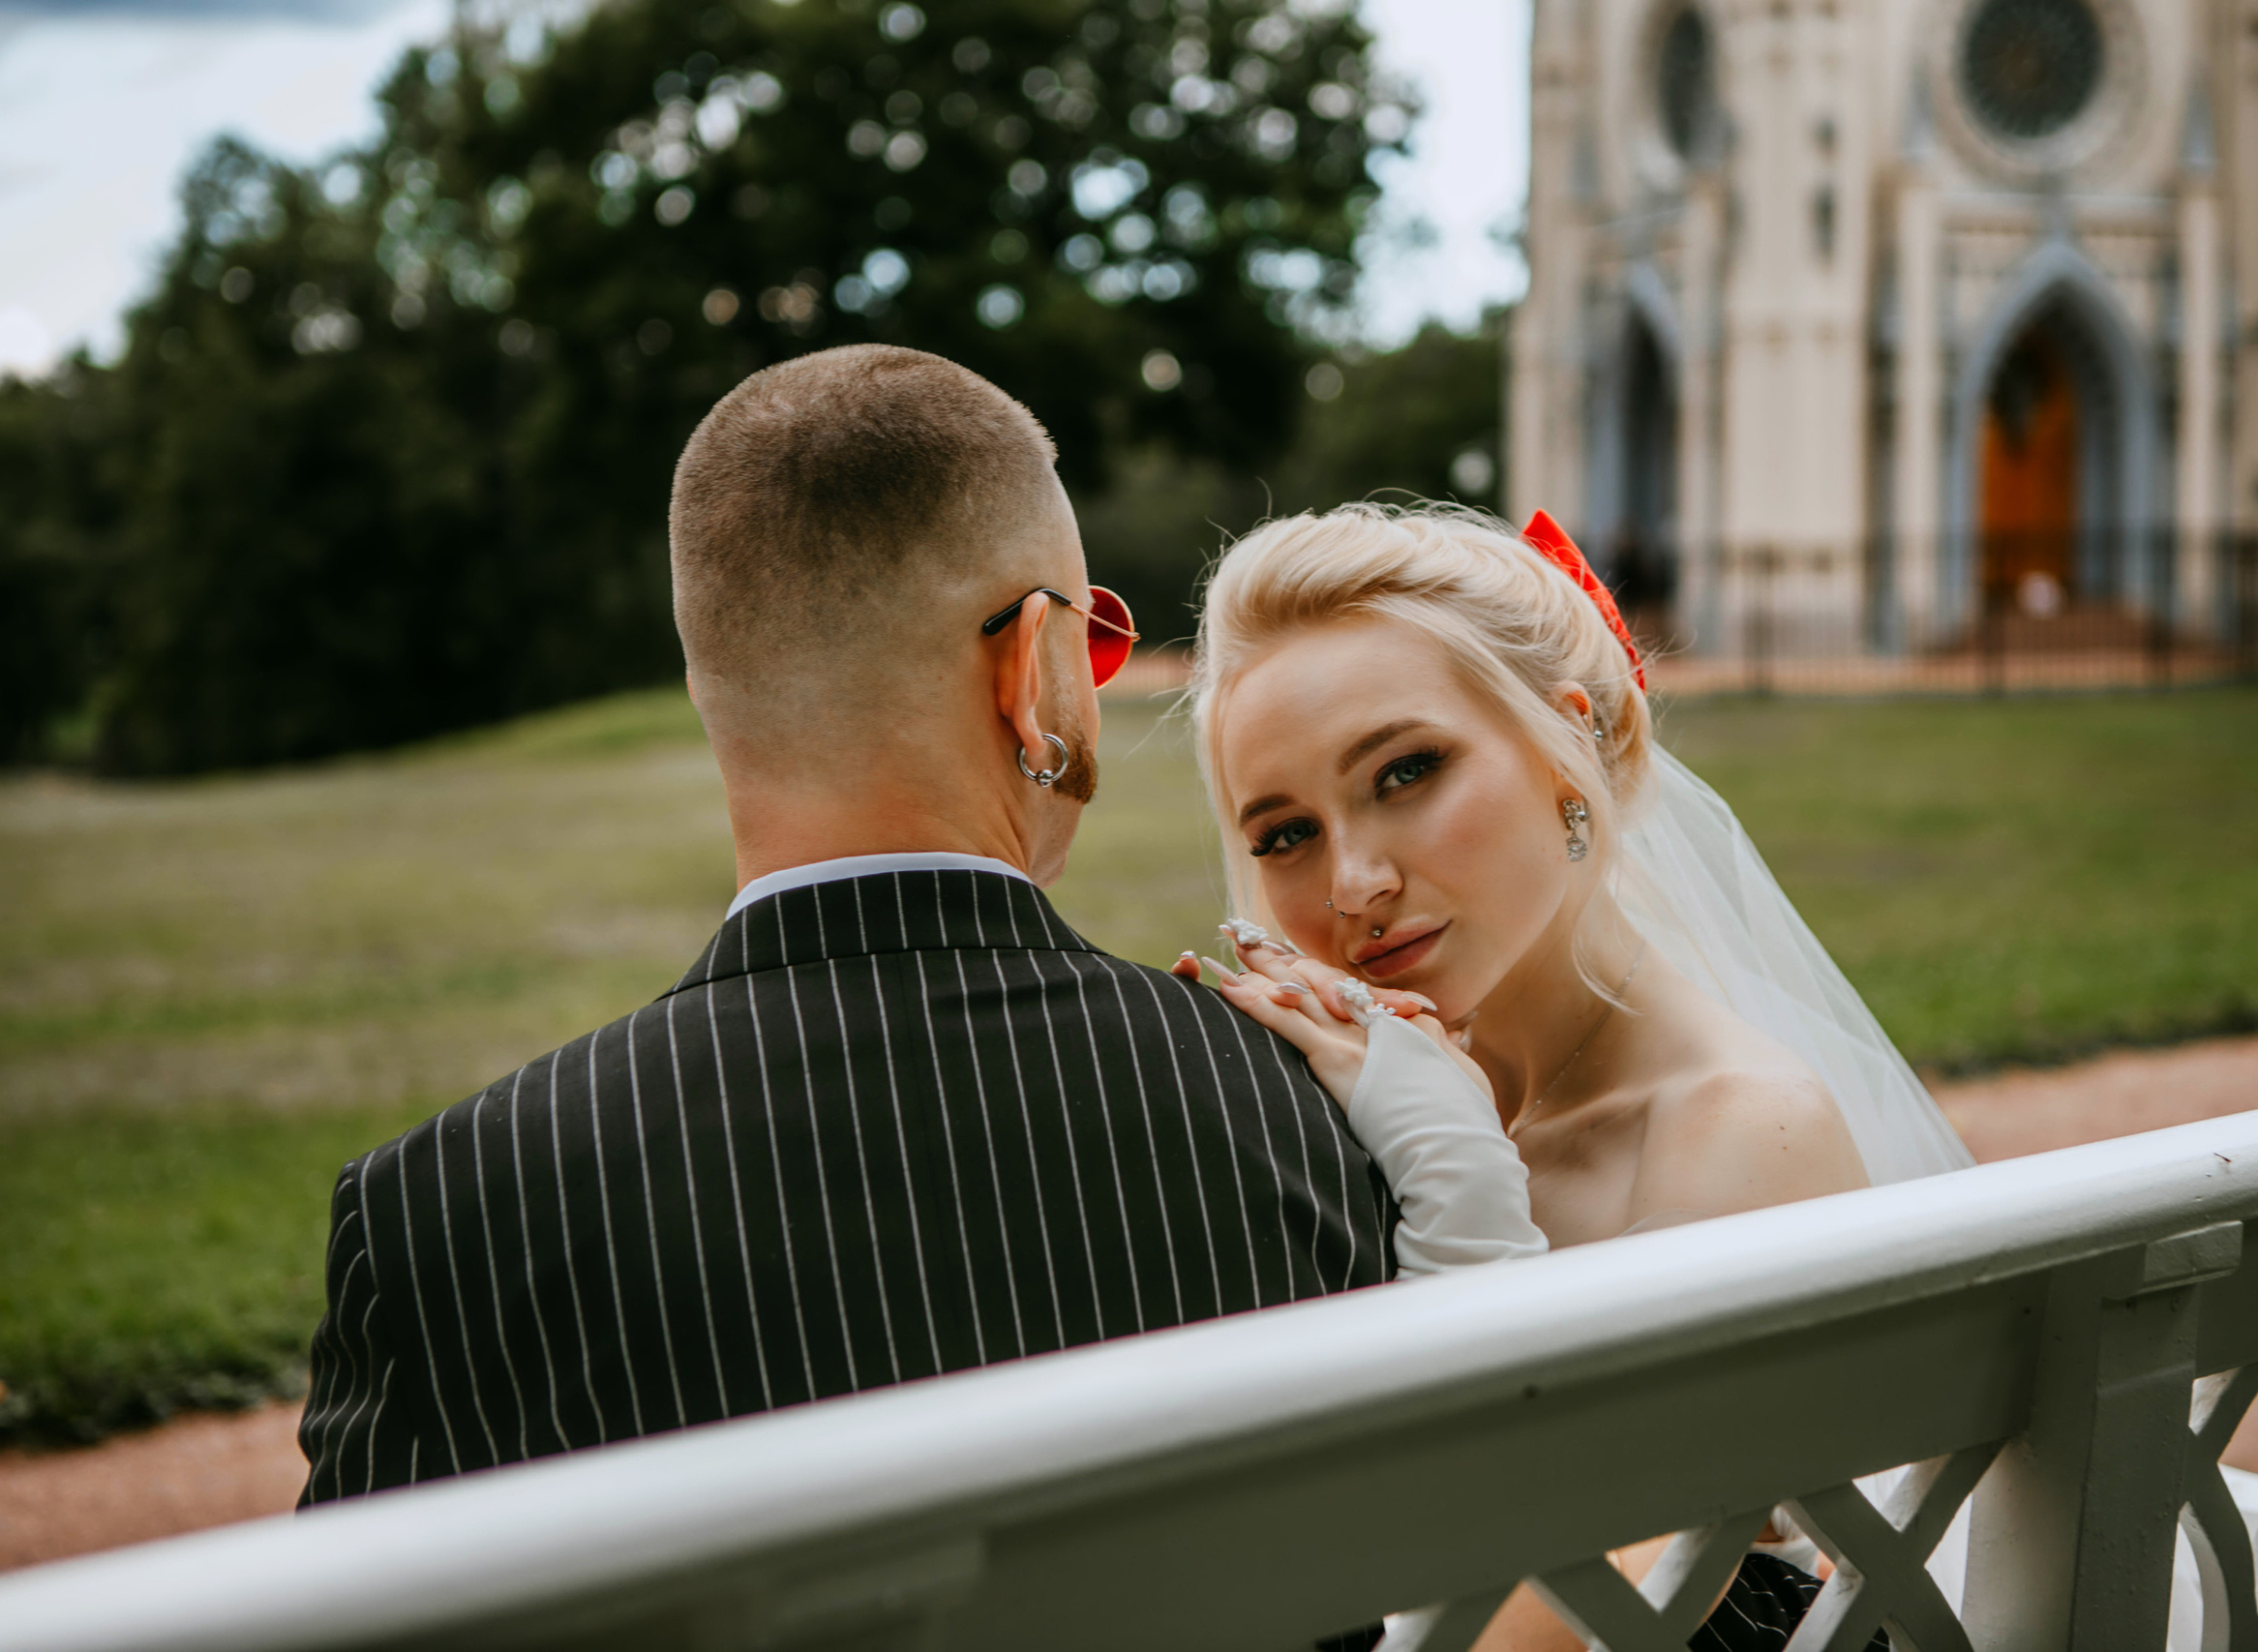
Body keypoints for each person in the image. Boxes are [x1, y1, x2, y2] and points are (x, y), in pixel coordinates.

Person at [292, 347, 1531, 1506]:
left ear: (712, 685)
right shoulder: (1306, 1120)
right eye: (1093, 636)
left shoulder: (440, 1213)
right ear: (1030, 668)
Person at [1176, 501, 1972, 1651]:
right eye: (1284, 834)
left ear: (1571, 744)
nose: (1352, 884)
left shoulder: (1740, 1134)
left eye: (1405, 771)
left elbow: (1548, 1629)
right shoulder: (1338, 1107)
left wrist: (1462, 1199)